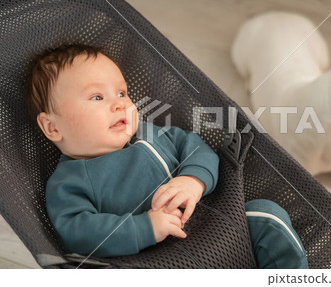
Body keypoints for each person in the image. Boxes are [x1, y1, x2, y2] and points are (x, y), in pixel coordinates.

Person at [26, 44, 308, 268]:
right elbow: (77, 232)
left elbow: (197, 148)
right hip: (161, 261)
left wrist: (192, 180)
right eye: (97, 98)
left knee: (267, 215)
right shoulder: (70, 180)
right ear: (53, 126)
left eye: (122, 92)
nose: (119, 104)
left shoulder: (149, 133)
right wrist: (144, 227)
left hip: (220, 228)